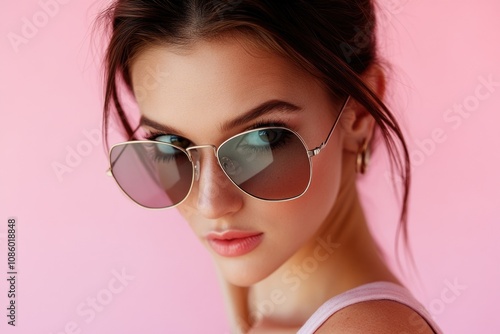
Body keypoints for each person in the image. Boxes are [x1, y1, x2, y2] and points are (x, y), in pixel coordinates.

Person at [97, 1, 442, 332]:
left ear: (358, 117)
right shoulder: (266, 303)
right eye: (173, 146)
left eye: (262, 140)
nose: (210, 205)